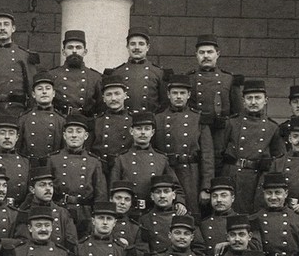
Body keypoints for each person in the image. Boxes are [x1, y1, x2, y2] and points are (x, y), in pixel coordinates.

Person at [220, 79, 285, 214]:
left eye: (257, 98)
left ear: (265, 100)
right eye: (249, 98)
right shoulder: (232, 123)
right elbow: (218, 153)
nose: (253, 102)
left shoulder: (272, 127)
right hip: (234, 176)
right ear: (243, 101)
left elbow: (279, 158)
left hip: (258, 179)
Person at [153, 74, 213, 216]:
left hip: (191, 174)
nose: (178, 96)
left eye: (182, 93)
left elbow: (207, 156)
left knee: (190, 213)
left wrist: (206, 187)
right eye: (175, 93)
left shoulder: (198, 119)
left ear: (189, 95)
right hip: (166, 173)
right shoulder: (158, 118)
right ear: (168, 95)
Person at [46, 113, 107, 236]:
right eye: (70, 131)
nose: (74, 135)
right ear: (64, 135)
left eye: (78, 131)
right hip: (59, 211)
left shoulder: (93, 162)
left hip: (85, 214)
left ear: (85, 136)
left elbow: (101, 194)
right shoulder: (53, 159)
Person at [110, 112, 184, 210]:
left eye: (147, 129)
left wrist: (179, 202)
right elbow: (113, 188)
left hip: (154, 210)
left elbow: (175, 186)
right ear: (131, 131)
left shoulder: (161, 159)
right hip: (128, 210)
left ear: (152, 132)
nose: (143, 132)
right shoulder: (121, 159)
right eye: (139, 129)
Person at [107, 27, 167, 114]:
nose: (137, 47)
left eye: (141, 44)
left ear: (148, 47)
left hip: (148, 123)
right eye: (133, 44)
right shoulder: (117, 73)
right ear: (127, 47)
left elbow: (164, 103)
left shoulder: (158, 73)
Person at [47, 29, 103, 117]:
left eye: (78, 47)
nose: (74, 51)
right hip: (60, 121)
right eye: (70, 47)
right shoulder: (52, 75)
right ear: (63, 51)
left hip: (85, 123)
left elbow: (101, 108)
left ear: (85, 52)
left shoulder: (95, 77)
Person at [17, 72, 65, 161]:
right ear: (33, 94)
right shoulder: (24, 119)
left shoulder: (61, 120)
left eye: (48, 88)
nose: (44, 92)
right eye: (39, 89)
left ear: (53, 93)